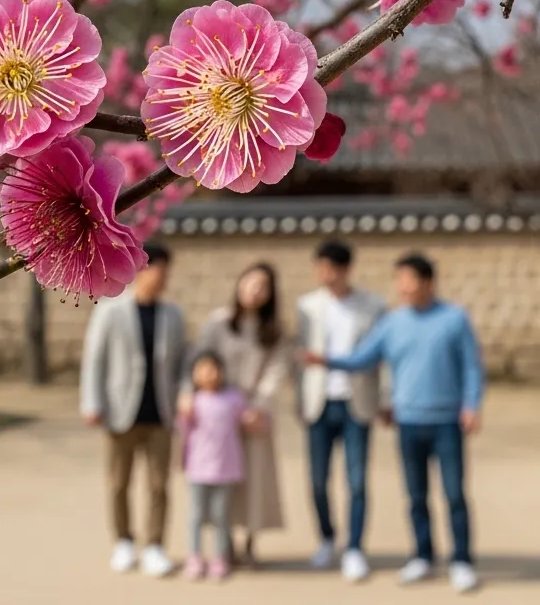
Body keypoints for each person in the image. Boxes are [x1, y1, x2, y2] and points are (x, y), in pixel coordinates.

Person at [303, 253, 485, 593]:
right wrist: (326, 361)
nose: (402, 287)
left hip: (446, 421)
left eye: (408, 280)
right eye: (399, 280)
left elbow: (472, 366)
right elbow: (364, 358)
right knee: (416, 495)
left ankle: (461, 560)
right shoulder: (392, 323)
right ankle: (423, 555)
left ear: (427, 282)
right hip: (408, 421)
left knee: (454, 493)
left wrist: (471, 405)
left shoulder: (454, 319)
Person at [80, 243, 189, 578]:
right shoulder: (111, 309)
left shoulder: (173, 315)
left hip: (161, 413)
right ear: (144, 269)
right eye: (160, 269)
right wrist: (92, 402)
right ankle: (124, 541)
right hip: (118, 410)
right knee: (118, 482)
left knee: (159, 485)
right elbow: (94, 358)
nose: (165, 277)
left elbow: (184, 363)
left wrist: (184, 395)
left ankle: (155, 545)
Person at [182, 262, 288, 568]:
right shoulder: (219, 323)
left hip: (254, 412)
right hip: (218, 412)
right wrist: (193, 392)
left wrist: (258, 406)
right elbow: (200, 360)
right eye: (249, 283)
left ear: (270, 294)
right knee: (220, 478)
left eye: (262, 287)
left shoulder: (274, 331)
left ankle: (250, 543)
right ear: (239, 284)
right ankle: (222, 545)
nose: (254, 291)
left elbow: (276, 369)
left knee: (254, 480)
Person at [294, 240, 389, 582]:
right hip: (319, 401)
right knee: (318, 480)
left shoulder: (373, 306)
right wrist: (299, 402)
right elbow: (299, 360)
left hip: (357, 402)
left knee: (357, 480)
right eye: (319, 267)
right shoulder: (307, 306)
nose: (324, 274)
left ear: (346, 269)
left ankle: (355, 548)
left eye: (331, 268)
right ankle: (328, 538)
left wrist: (385, 400)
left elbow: (383, 359)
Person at [178, 351, 251, 582]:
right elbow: (182, 430)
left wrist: (256, 419)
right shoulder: (193, 401)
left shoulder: (232, 398)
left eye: (214, 368)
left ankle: (221, 557)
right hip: (199, 468)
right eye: (203, 369)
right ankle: (195, 556)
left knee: (221, 516)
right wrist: (184, 410)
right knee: (196, 515)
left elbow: (247, 418)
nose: (209, 374)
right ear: (194, 374)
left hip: (225, 468)